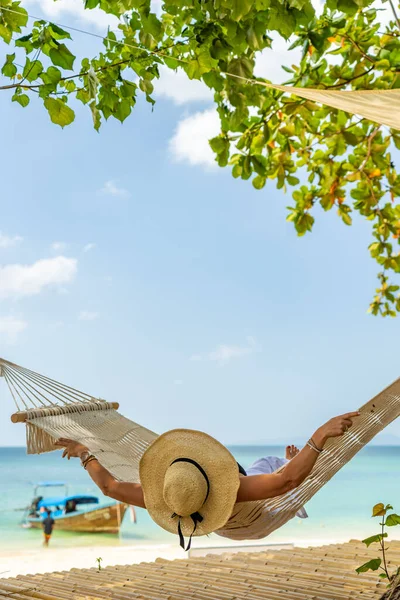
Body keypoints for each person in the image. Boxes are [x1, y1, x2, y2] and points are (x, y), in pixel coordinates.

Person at [56, 410, 359, 549]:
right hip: (256, 512)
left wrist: (86, 454)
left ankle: (284, 463)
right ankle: (287, 460)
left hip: (216, 523)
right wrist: (318, 435)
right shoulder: (234, 490)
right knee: (271, 469)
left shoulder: (167, 497)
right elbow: (287, 483)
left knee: (265, 466)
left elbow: (111, 488)